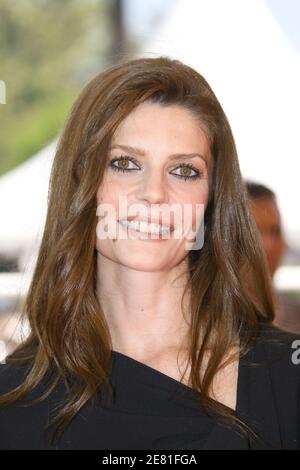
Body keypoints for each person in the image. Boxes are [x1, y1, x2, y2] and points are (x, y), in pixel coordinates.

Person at [0, 56, 299, 450]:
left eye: (184, 171)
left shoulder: (288, 375)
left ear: (211, 200)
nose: (154, 194)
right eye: (124, 164)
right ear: (80, 186)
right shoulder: (14, 401)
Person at [246, 181, 300, 334]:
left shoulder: (296, 317)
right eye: (255, 233)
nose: (268, 246)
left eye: (275, 231)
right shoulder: (203, 320)